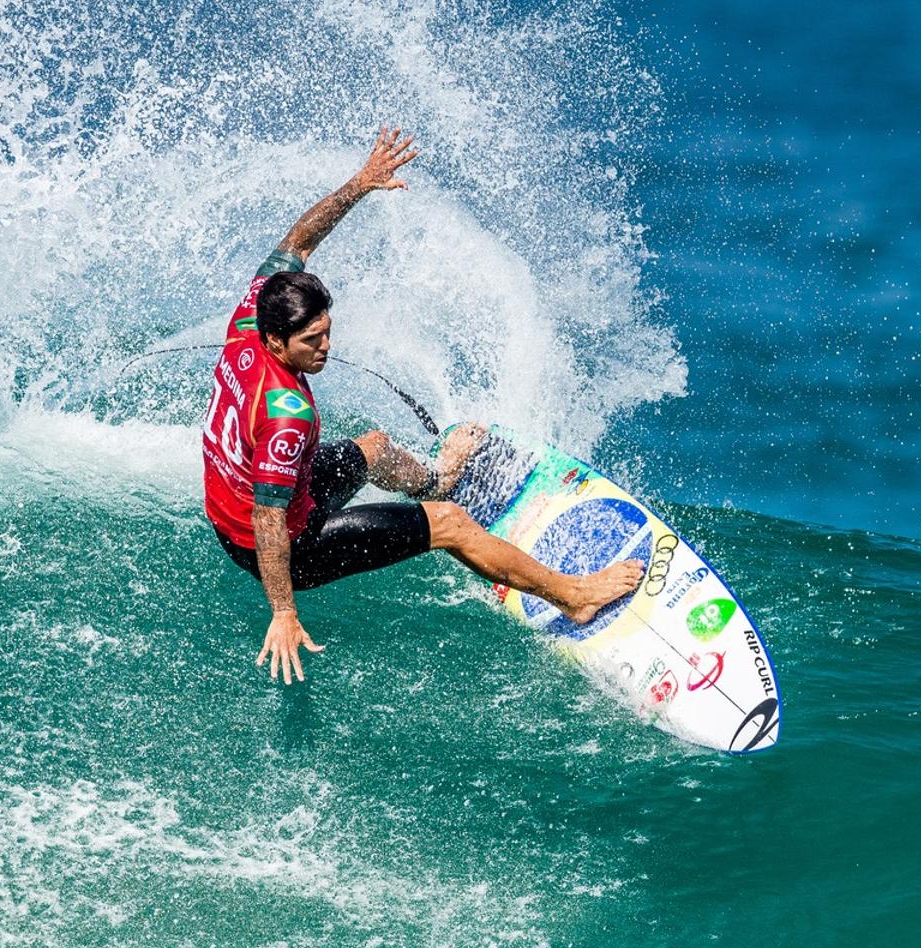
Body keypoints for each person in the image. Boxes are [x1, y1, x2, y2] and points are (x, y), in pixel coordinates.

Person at [202, 125, 647, 685]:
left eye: (327, 332)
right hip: (285, 543)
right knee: (451, 525)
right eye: (311, 342)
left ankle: (435, 478)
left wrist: (360, 185)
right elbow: (270, 520)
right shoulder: (288, 414)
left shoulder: (250, 317)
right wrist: (284, 611)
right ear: (275, 341)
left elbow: (299, 241)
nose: (326, 348)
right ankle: (575, 596)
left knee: (375, 449)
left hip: (235, 512)